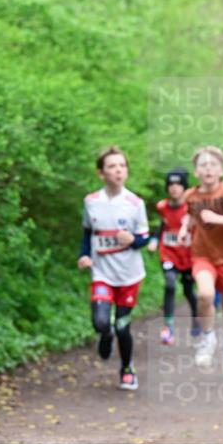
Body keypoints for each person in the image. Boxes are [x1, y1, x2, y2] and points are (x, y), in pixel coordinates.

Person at [78, 147, 151, 390]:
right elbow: (88, 232)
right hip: (102, 272)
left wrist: (133, 240)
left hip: (129, 275)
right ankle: (104, 334)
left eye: (122, 166)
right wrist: (84, 255)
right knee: (101, 321)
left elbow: (145, 238)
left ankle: (127, 368)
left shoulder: (135, 203)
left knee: (123, 325)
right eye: (112, 166)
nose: (118, 170)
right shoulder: (91, 202)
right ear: (101, 173)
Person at [178, 146, 223, 374]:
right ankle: (207, 338)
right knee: (205, 294)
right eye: (203, 165)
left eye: (212, 165)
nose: (208, 168)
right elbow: (190, 216)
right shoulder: (191, 196)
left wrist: (219, 219)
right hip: (201, 254)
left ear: (221, 171)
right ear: (196, 171)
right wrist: (183, 228)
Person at [148, 168, 199, 345]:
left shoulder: (191, 207)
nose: (174, 188)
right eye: (170, 184)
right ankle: (168, 326)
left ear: (185, 187)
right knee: (170, 284)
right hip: (169, 253)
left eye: (178, 184)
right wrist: (154, 239)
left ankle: (196, 316)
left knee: (188, 290)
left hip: (188, 256)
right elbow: (162, 225)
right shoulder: (163, 207)